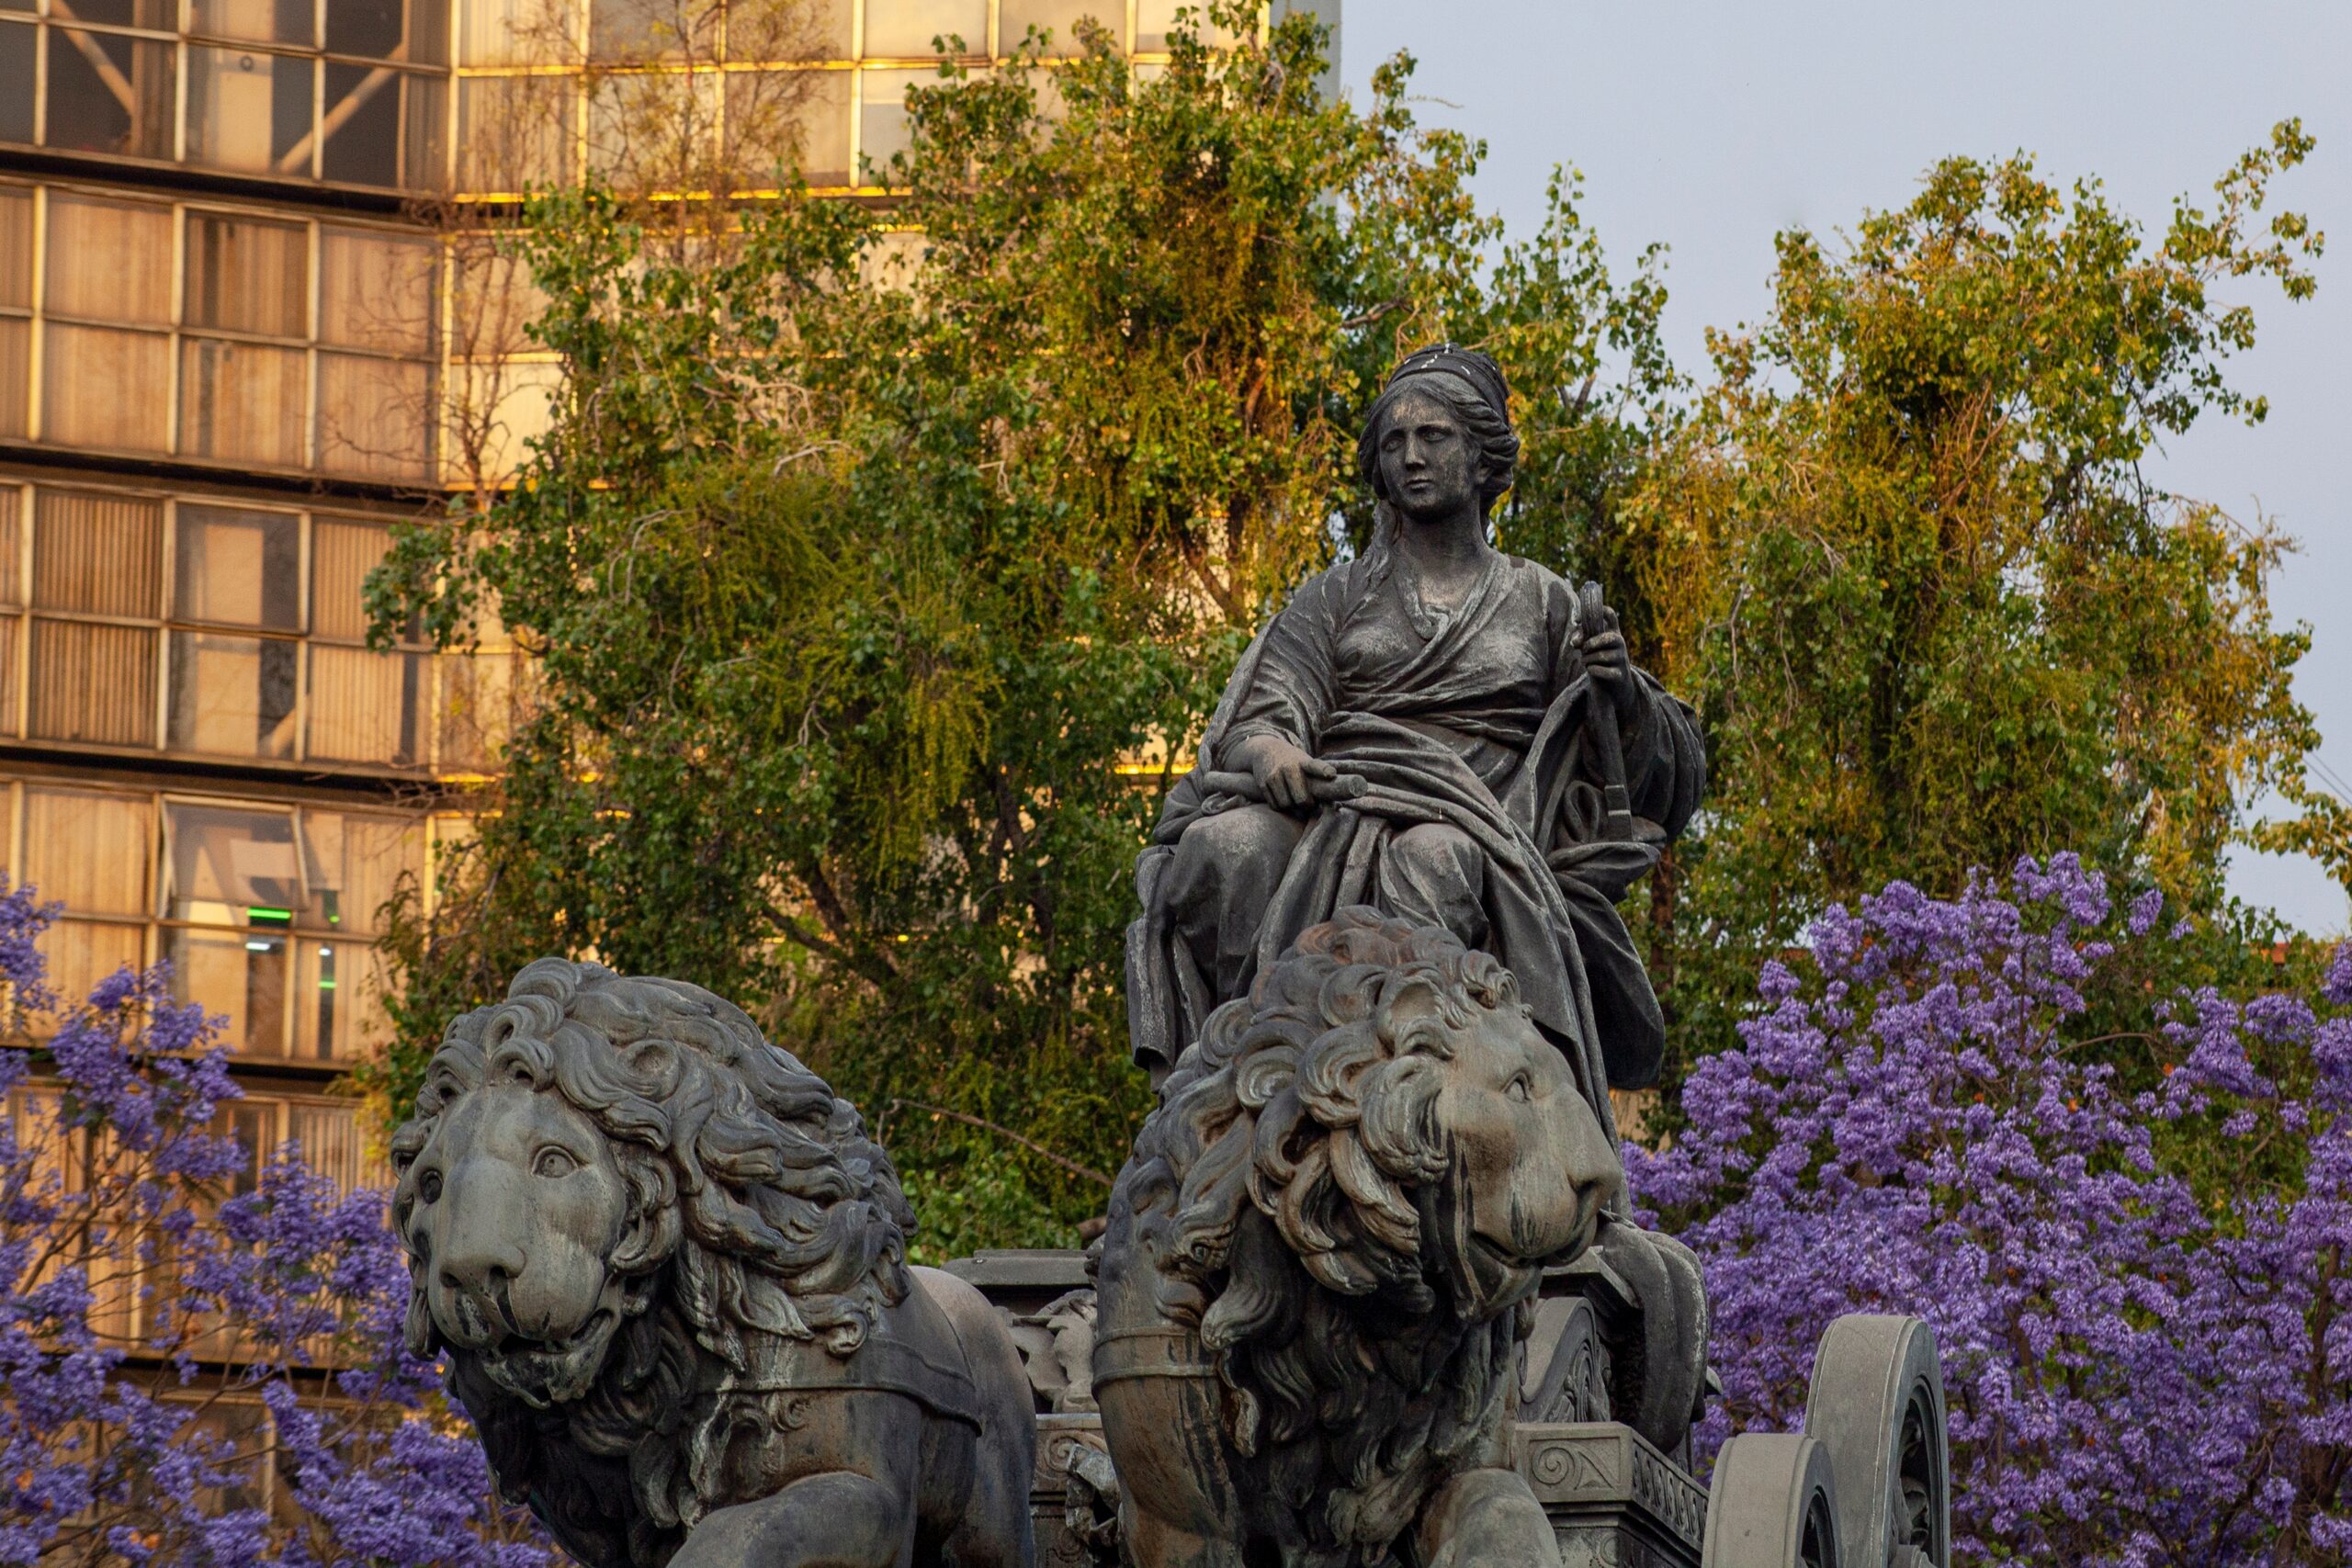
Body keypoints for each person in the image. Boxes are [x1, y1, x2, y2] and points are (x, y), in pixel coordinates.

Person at [1125, 345, 1704, 1140]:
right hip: (1341, 796)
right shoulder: (1335, 595)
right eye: (1394, 443)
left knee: (1431, 859)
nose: (1412, 457)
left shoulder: (1543, 600)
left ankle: (1401, 1100)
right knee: (1226, 847)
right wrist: (1277, 757)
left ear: (1481, 454)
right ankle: (1246, 1082)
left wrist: (1622, 690)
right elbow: (1263, 716)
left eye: (1433, 436)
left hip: (1477, 815)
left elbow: (1642, 770)